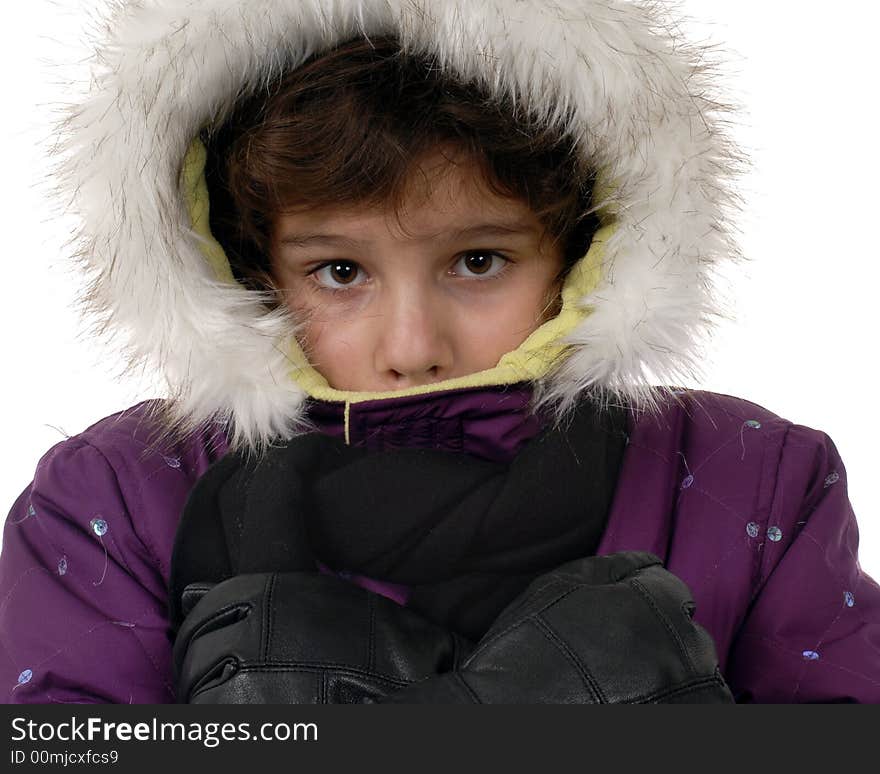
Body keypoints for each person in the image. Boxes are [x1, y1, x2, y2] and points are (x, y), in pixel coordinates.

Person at [2, 0, 878, 704]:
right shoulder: (114, 499)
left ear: (583, 252)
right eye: (340, 271)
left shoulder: (756, 481)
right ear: (245, 262)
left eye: (477, 262)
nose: (413, 348)